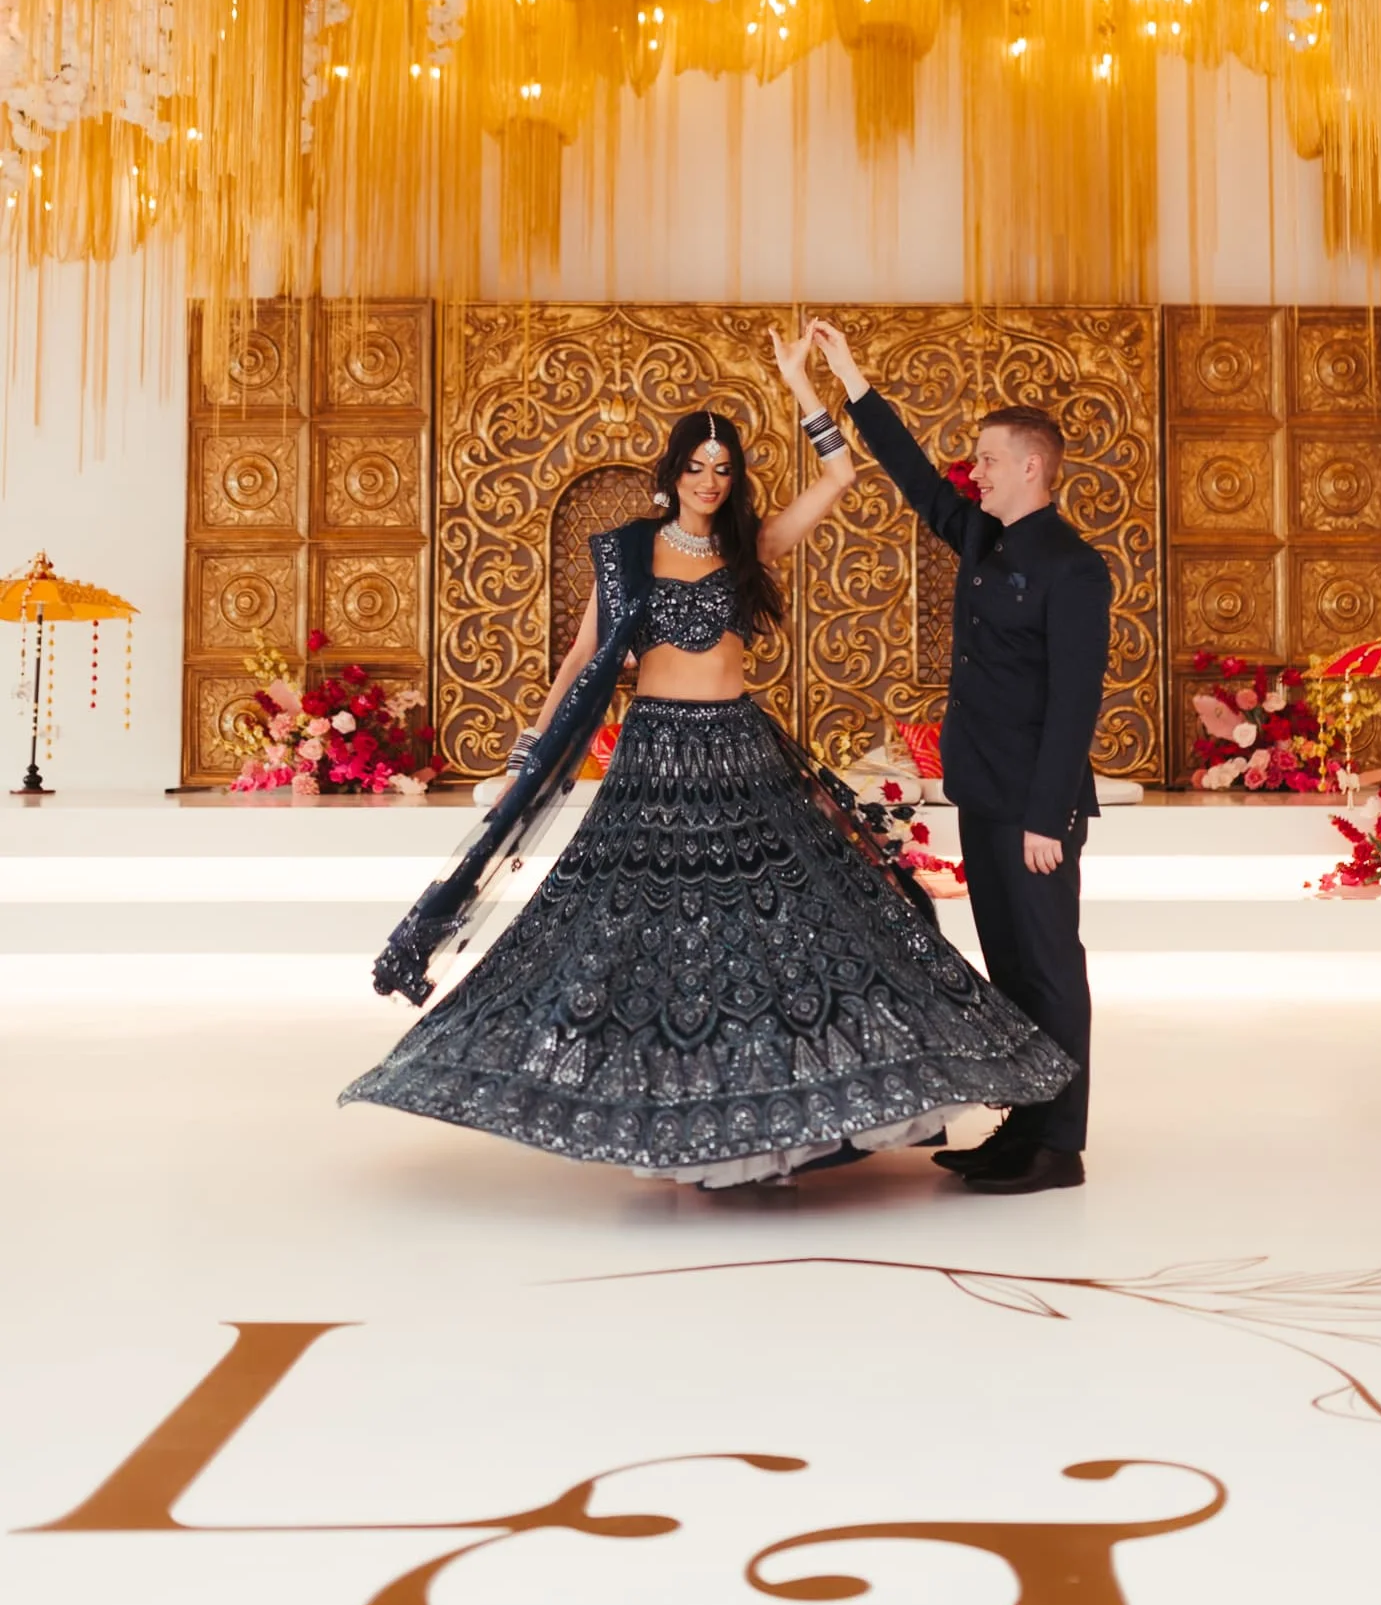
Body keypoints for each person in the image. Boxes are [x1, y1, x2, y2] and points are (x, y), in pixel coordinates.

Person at [340, 327, 1074, 1188]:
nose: (710, 482)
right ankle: (684, 1124)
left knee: (779, 939)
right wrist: (526, 750)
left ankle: (784, 1132)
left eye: (724, 470)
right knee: (643, 948)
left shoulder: (748, 544)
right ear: (672, 471)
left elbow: (840, 477)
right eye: (697, 467)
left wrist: (801, 383)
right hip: (655, 762)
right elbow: (584, 660)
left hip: (740, 757)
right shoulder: (623, 554)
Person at [810, 319, 1110, 1195]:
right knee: (1009, 966)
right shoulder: (984, 537)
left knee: (1051, 966)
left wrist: (1048, 817)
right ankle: (1023, 1122)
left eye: (985, 458)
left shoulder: (1073, 567)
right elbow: (909, 472)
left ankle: (1061, 1143)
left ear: (1031, 466)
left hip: (1035, 809)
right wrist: (851, 380)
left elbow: (1074, 702)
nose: (971, 469)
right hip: (983, 792)